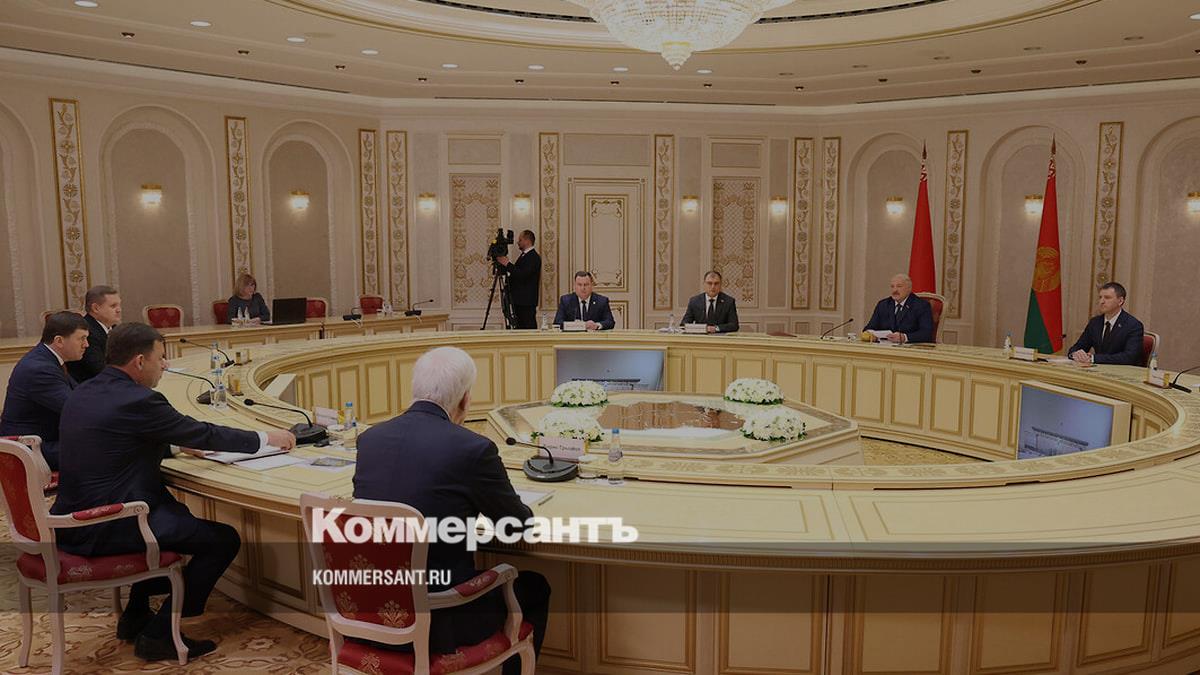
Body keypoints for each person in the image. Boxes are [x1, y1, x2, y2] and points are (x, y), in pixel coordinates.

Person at [50, 322, 296, 661]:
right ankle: (161, 633)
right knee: (223, 540)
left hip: (72, 518)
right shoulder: (141, 400)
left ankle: (136, 614)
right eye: (161, 358)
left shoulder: (84, 391)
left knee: (176, 522)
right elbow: (203, 433)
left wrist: (178, 446)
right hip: (109, 524)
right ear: (139, 361)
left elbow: (116, 441)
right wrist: (266, 438)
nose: (165, 365)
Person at [353, 347, 550, 673]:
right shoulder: (473, 449)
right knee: (535, 587)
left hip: (367, 612)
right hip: (439, 621)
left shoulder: (370, 440)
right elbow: (517, 527)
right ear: (465, 400)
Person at [0, 311, 89, 470]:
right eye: (81, 338)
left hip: (45, 440)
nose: (86, 344)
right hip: (30, 448)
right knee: (105, 448)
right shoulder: (40, 369)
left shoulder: (47, 359)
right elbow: (75, 408)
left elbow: (80, 394)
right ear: (59, 341)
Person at [1067, 282, 1145, 365]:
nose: (1101, 301)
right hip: (1097, 370)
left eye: (1107, 298)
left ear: (1120, 301)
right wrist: (1075, 354)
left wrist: (1094, 358)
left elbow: (1129, 357)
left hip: (1122, 371)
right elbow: (1077, 347)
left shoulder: (1133, 325)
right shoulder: (1095, 323)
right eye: (1100, 297)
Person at [67, 284, 121, 382]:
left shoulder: (115, 329)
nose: (119, 310)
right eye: (113, 306)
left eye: (119, 305)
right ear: (96, 308)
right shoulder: (85, 331)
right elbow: (99, 370)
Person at [863, 273, 934, 343]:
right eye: (892, 286)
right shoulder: (883, 305)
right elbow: (869, 328)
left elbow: (926, 333)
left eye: (899, 286)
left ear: (909, 288)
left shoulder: (921, 305)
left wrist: (905, 337)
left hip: (910, 348)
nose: (895, 290)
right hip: (884, 347)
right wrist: (871, 335)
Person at [496, 229, 541, 329]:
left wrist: (507, 264)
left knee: (528, 327)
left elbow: (523, 274)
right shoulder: (524, 256)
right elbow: (517, 273)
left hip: (526, 302)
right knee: (520, 326)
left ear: (527, 241)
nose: (518, 242)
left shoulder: (533, 257)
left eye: (520, 240)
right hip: (520, 300)